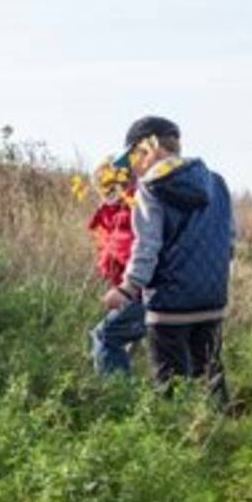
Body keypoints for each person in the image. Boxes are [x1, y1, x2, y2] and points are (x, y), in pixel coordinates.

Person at [101, 117, 235, 400]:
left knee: (171, 388)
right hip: (212, 301)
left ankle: (178, 440)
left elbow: (147, 245)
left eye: (135, 156)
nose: (134, 166)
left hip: (169, 305)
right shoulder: (218, 183)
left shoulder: (151, 188)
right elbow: (229, 240)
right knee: (211, 378)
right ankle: (225, 435)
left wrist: (128, 289)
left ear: (150, 148)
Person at [87, 160, 145, 374]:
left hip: (143, 296)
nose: (106, 194)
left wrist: (124, 290)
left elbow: (130, 254)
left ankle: (119, 399)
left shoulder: (128, 214)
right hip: (142, 295)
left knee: (104, 337)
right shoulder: (115, 215)